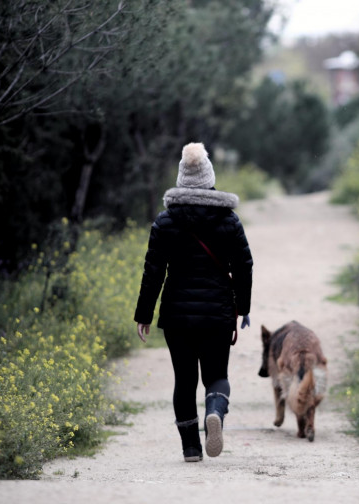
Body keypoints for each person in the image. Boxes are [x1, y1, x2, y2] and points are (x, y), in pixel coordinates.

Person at [134, 142, 253, 462]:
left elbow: (153, 270)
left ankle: (190, 448)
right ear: (210, 178)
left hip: (177, 315)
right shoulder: (229, 221)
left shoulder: (165, 222)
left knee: (184, 381)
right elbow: (244, 265)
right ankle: (214, 411)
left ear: (181, 180)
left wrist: (143, 313)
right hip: (217, 313)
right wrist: (243, 307)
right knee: (217, 376)